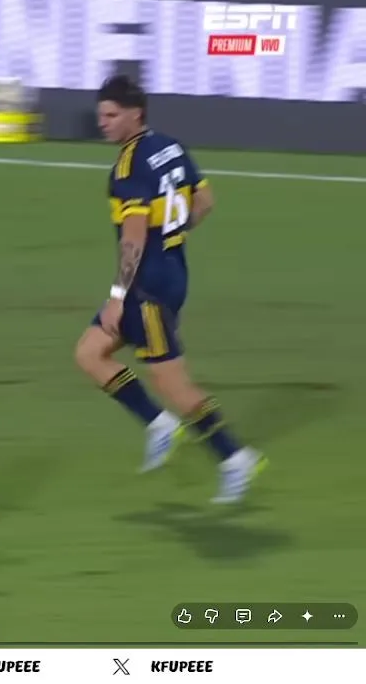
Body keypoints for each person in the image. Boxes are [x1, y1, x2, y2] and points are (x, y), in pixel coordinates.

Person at [74, 75, 265, 503]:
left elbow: (133, 237)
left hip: (146, 290)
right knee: (89, 352)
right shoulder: (170, 146)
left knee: (174, 385)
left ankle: (235, 458)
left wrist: (118, 296)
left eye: (111, 115)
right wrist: (173, 235)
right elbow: (205, 201)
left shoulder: (128, 167)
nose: (103, 123)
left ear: (135, 113)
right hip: (172, 273)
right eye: (101, 115)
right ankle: (159, 425)